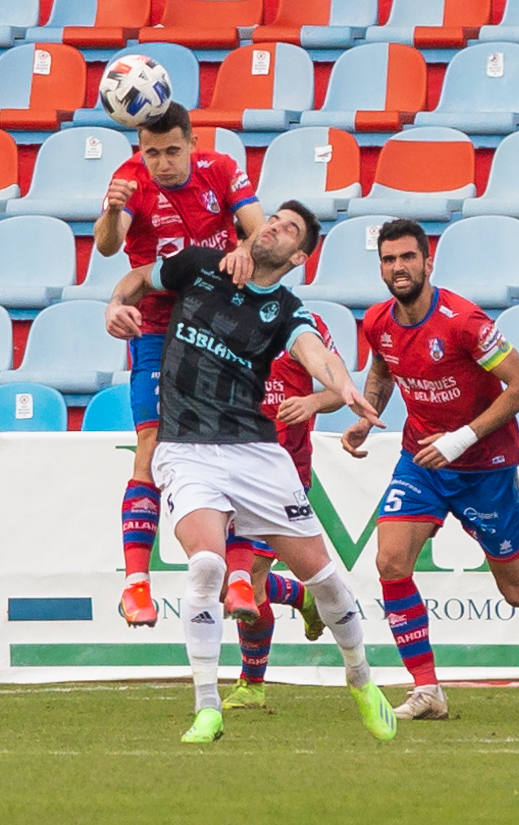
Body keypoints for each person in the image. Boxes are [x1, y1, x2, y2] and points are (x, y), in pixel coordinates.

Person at [105, 200, 398, 744]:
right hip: (187, 448)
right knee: (207, 567)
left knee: (325, 578)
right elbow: (137, 279)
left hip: (258, 454)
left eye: (289, 229)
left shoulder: (287, 310)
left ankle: (360, 677)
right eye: (273, 220)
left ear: (300, 255)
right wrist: (114, 307)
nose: (274, 228)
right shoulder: (199, 265)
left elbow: (315, 353)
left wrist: (342, 387)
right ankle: (207, 706)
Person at [341, 218, 519, 720]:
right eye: (389, 259)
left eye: (407, 257)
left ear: (427, 262)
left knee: (518, 590)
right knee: (390, 562)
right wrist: (366, 415)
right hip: (421, 461)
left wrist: (461, 438)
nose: (398, 267)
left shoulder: (465, 322)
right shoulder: (378, 321)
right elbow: (382, 366)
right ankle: (427, 690)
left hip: (486, 466)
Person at [94, 101, 308, 631]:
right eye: (151, 153)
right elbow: (108, 247)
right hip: (156, 328)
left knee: (229, 448)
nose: (161, 163)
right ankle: (135, 584)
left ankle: (242, 577)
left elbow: (258, 229)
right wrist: (109, 214)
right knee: (151, 443)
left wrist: (239, 247)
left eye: (171, 151)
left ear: (192, 143)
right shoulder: (129, 178)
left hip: (217, 326)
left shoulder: (221, 169)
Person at [222, 312, 342, 710]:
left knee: (250, 579)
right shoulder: (216, 319)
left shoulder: (302, 325)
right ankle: (300, 597)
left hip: (284, 476)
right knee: (227, 585)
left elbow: (342, 391)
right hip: (230, 471)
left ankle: (251, 684)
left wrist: (312, 402)